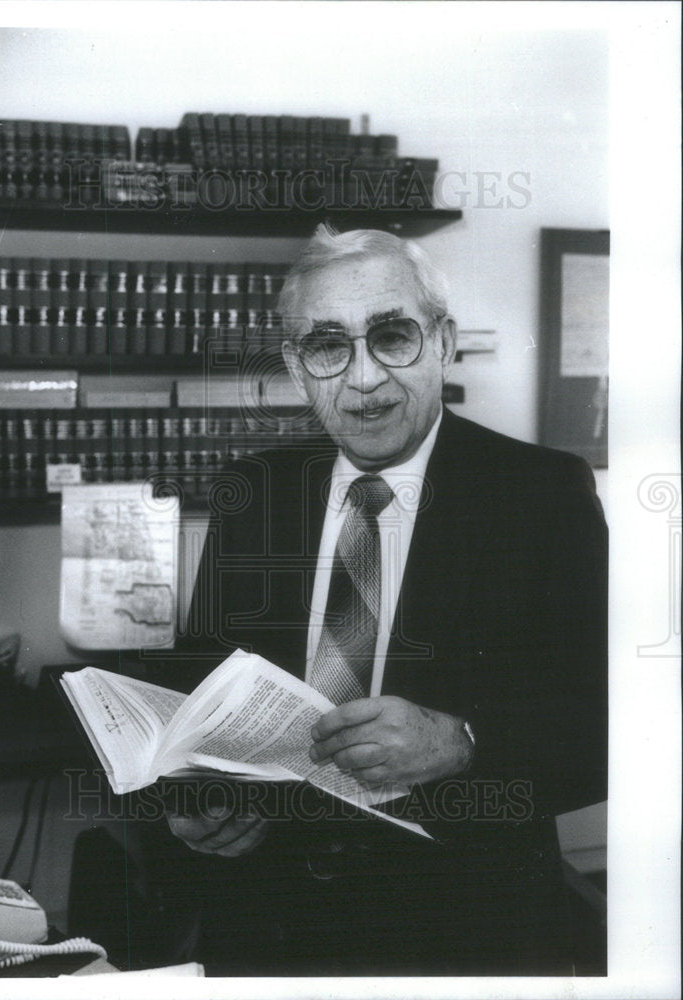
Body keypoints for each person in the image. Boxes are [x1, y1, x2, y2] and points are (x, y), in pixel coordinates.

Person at [163, 225, 608, 976]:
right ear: (298, 368)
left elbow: (615, 722)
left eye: (392, 336)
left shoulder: (543, 494)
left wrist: (464, 741)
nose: (364, 380)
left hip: (463, 932)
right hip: (267, 929)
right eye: (328, 346)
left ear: (443, 342)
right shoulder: (255, 492)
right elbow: (200, 691)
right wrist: (193, 796)